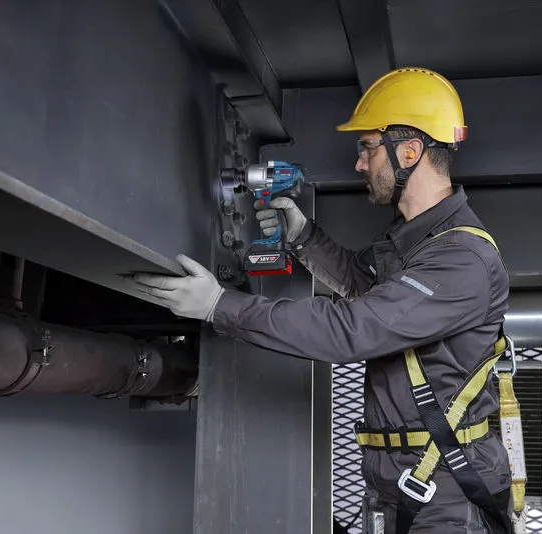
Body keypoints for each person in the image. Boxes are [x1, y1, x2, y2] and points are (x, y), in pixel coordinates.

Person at [126, 67, 514, 534]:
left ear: (409, 152)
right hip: (409, 485)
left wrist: (218, 306)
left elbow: (351, 329)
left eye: (367, 148)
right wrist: (302, 236)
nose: (359, 164)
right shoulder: (413, 242)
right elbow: (360, 282)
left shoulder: (460, 258)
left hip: (448, 496)